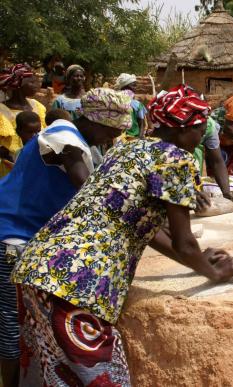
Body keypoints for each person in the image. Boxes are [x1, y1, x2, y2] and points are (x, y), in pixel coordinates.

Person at [10, 85, 233, 385]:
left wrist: (199, 259)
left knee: (51, 376)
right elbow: (184, 243)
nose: (202, 136)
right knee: (105, 377)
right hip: (75, 283)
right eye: (200, 128)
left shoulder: (127, 148)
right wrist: (213, 271)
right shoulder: (176, 160)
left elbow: (141, 227)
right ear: (182, 128)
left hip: (37, 265)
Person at [0, 88, 133, 387]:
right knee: (13, 326)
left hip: (23, 237)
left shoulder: (75, 140)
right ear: (96, 122)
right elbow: (91, 196)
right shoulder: (65, 139)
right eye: (112, 131)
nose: (112, 138)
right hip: (13, 237)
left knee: (28, 328)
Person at [0, 64, 46, 176]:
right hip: (10, 168)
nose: (36, 86)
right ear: (18, 85)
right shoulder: (2, 111)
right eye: (31, 82)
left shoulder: (37, 107)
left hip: (36, 163)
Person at [115, 73, 147, 138]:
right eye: (133, 85)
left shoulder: (137, 104)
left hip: (133, 137)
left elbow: (141, 123)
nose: (135, 88)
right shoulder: (115, 102)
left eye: (135, 85)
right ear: (124, 87)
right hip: (118, 137)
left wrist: (139, 138)